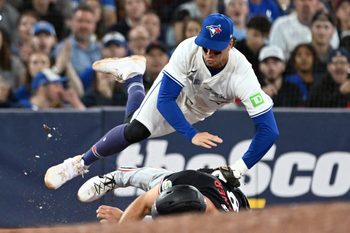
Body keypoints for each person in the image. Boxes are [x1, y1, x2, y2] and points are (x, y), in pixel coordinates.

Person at [44, 13, 279, 192]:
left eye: (216, 50)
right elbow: (166, 99)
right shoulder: (188, 49)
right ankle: (77, 164)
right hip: (175, 95)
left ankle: (133, 75)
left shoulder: (243, 76)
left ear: (231, 43)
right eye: (205, 46)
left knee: (132, 124)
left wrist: (239, 168)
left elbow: (269, 130)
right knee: (136, 130)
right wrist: (190, 134)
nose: (208, 53)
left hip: (196, 111)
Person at [77, 166, 250, 223]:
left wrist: (123, 218)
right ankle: (117, 176)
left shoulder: (223, 226)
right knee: (155, 180)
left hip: (238, 205)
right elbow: (144, 202)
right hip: (202, 179)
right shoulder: (184, 180)